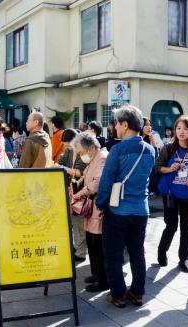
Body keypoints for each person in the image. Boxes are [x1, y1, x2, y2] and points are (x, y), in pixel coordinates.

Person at [96, 105, 155, 308]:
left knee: (113, 254)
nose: (114, 128)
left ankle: (118, 295)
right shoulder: (150, 150)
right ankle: (138, 293)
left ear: (125, 124)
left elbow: (106, 182)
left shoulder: (118, 149)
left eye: (116, 124)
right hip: (141, 209)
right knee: (137, 252)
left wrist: (100, 204)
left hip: (118, 210)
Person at [155, 116, 188, 273]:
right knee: (171, 225)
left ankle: (183, 258)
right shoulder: (168, 148)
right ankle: (161, 252)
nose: (181, 132)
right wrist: (169, 169)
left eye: (185, 128)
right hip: (170, 194)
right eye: (178, 128)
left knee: (186, 228)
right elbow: (158, 167)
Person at [72, 132, 109, 292]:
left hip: (98, 207)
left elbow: (97, 183)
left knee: (97, 245)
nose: (81, 157)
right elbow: (86, 178)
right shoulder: (94, 158)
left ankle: (102, 280)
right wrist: (77, 183)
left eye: (81, 153)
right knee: (92, 243)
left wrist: (79, 193)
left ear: (91, 147)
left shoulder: (102, 157)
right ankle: (96, 275)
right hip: (91, 207)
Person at [57, 129, 87, 262]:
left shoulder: (83, 151)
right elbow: (62, 160)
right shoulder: (69, 150)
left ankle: (81, 252)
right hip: (71, 190)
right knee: (72, 220)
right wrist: (59, 162)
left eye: (68, 144)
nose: (67, 147)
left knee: (79, 221)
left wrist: (65, 169)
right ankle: (76, 246)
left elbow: (80, 172)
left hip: (80, 191)